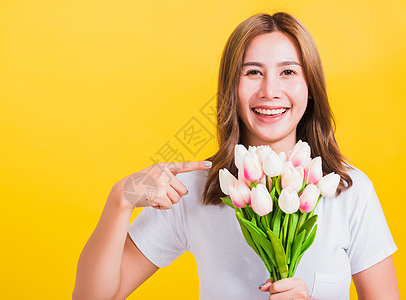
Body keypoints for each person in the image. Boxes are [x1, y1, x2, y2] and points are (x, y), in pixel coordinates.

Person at [72, 12, 399, 299]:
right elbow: (92, 297)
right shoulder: (195, 189)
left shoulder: (348, 190)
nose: (270, 91)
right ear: (232, 87)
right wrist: (122, 198)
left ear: (310, 87)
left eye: (288, 72)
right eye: (253, 72)